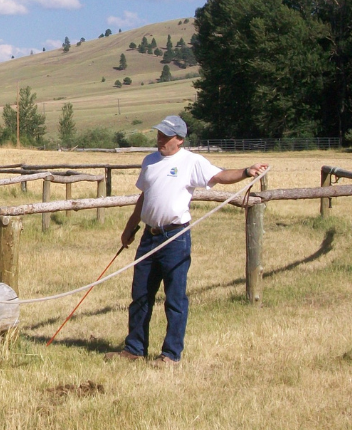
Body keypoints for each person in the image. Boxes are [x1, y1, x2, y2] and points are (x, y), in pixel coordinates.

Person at [107, 115, 267, 366]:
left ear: (179, 139)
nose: (159, 139)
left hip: (175, 238)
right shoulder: (149, 162)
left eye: (165, 136)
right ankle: (134, 349)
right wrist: (130, 227)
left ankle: (170, 354)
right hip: (149, 238)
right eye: (158, 134)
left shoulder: (192, 161)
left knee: (175, 297)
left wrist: (247, 172)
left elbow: (220, 176)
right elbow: (144, 198)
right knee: (140, 295)